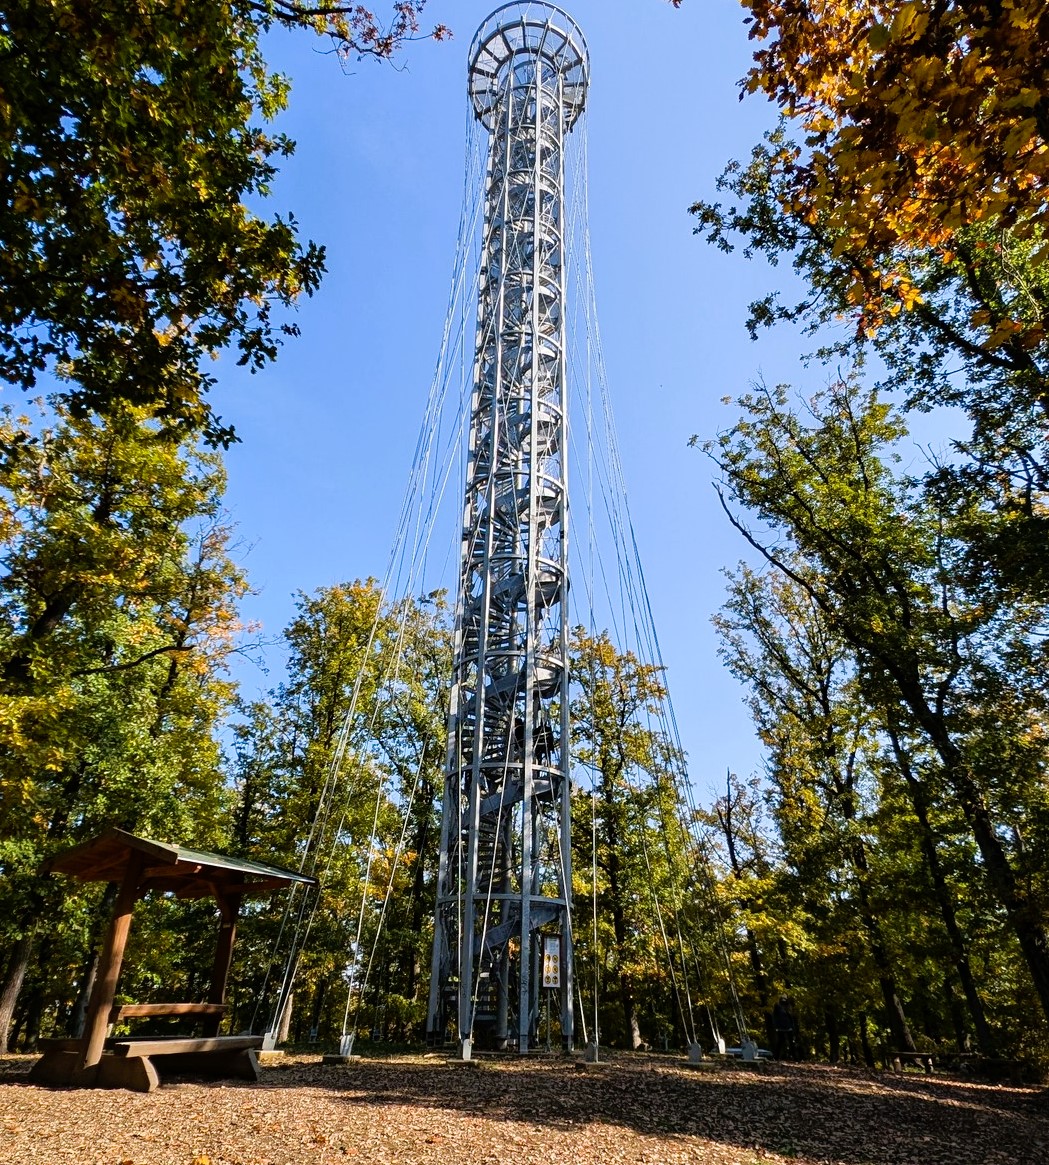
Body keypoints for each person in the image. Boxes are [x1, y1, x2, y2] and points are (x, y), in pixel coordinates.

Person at [772, 995, 797, 1060]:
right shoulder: (777, 1007)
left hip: (788, 1027)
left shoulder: (787, 1007)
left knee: (791, 1043)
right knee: (780, 1043)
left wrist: (792, 1026)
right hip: (780, 1028)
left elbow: (790, 1017)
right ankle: (776, 1057)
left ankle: (795, 1058)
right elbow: (774, 1017)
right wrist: (776, 1026)